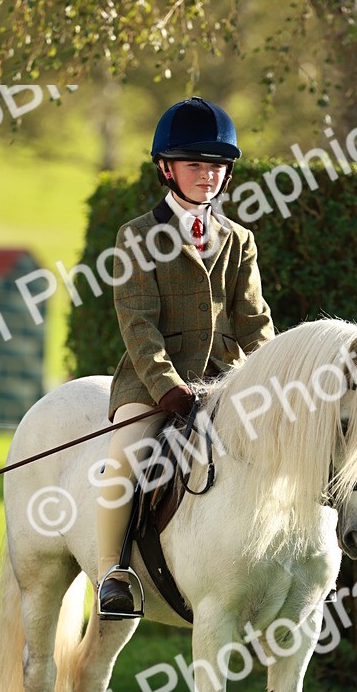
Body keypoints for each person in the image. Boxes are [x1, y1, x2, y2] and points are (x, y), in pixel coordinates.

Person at [96, 96, 275, 617]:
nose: (208, 176)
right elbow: (138, 322)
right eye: (195, 165)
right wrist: (168, 387)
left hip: (224, 383)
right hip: (153, 388)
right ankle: (114, 573)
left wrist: (271, 378)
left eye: (216, 166)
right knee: (125, 461)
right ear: (166, 168)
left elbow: (254, 320)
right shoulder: (137, 235)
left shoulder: (239, 240)